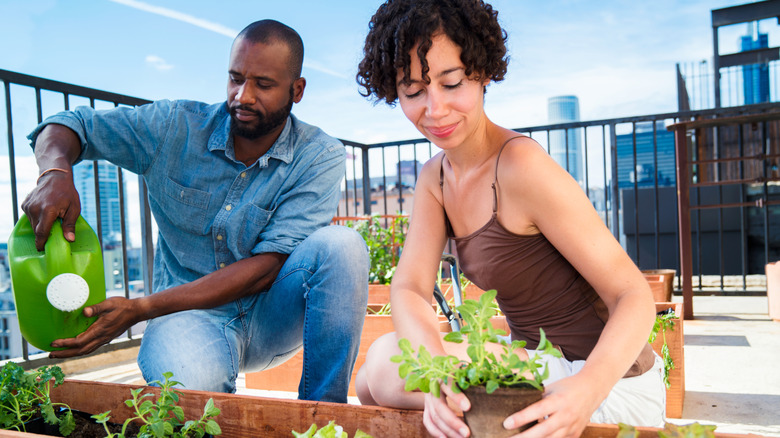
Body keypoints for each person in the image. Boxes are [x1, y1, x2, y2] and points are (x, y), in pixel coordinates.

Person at [354, 0, 666, 436]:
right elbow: (408, 288)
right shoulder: (435, 179)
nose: (436, 108)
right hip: (537, 368)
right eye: (413, 91)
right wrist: (436, 374)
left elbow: (633, 295)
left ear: (481, 72)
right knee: (368, 382)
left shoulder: (521, 166)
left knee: (386, 363)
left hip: (606, 383)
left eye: (452, 83)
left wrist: (586, 389)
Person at [22, 19, 368, 403]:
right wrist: (54, 172)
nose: (243, 96)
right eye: (235, 78)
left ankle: (325, 417)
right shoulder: (175, 127)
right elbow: (71, 124)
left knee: (343, 246)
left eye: (263, 84)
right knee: (192, 400)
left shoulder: (319, 155)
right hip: (188, 318)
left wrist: (141, 308)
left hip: (270, 317)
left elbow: (268, 267)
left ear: (297, 89)